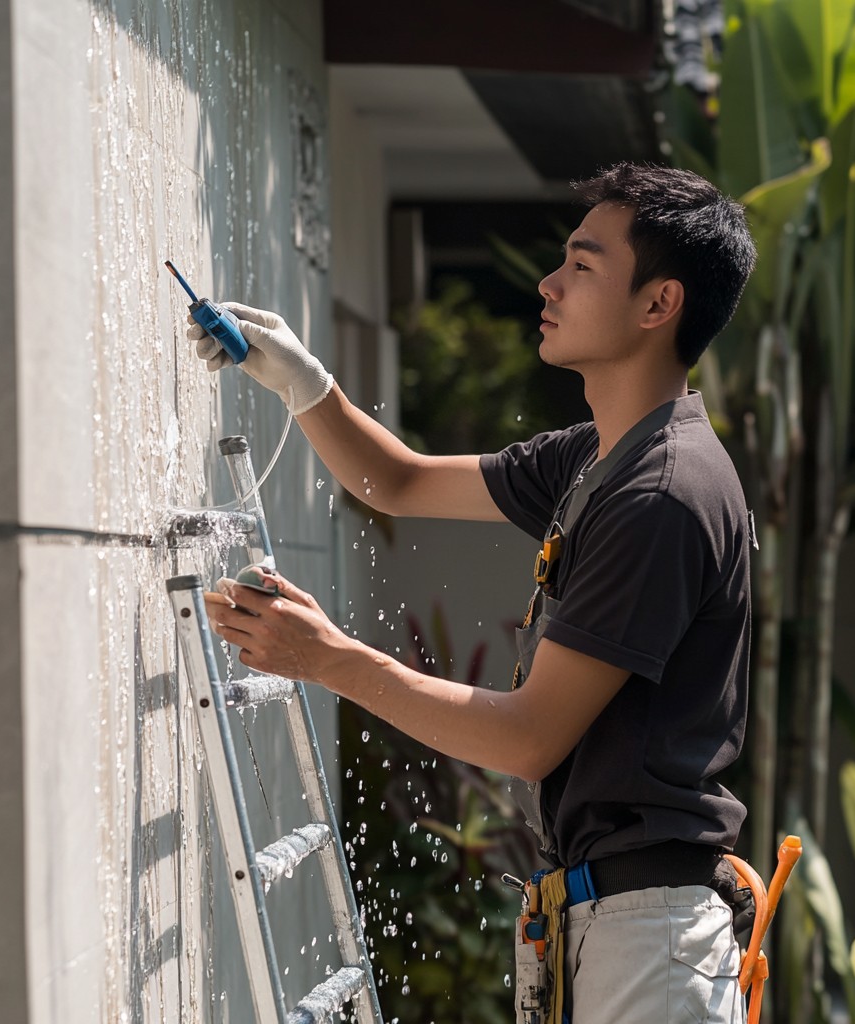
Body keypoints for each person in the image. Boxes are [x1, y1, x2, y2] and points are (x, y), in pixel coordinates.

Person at [194, 162, 758, 1024]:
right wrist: (299, 379)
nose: (549, 282)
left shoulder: (662, 493)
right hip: (612, 927)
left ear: (658, 305)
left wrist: (329, 659)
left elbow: (529, 738)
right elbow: (396, 481)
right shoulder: (598, 457)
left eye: (583, 264)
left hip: (651, 945)